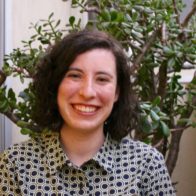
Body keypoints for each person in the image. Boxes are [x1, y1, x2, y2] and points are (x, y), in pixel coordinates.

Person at [0, 30, 175, 195]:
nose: (87, 92)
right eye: (75, 76)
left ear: (117, 92)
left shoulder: (147, 164)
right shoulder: (16, 164)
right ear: (56, 84)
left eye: (102, 79)